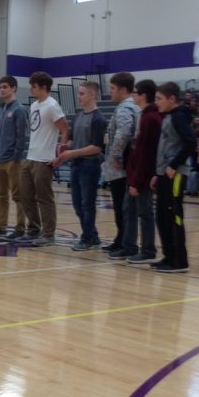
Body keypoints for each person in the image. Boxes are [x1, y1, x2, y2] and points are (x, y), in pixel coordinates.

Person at [52, 81, 106, 250]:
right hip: (76, 165)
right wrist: (66, 146)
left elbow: (97, 147)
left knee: (87, 204)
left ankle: (87, 237)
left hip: (90, 166)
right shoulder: (78, 116)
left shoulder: (98, 119)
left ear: (92, 95)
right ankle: (93, 235)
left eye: (82, 93)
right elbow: (73, 139)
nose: (79, 97)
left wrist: (72, 153)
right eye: (79, 93)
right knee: (77, 204)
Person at [150, 81, 196, 274]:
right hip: (164, 173)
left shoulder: (179, 117)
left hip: (175, 174)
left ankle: (179, 260)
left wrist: (173, 165)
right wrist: (157, 173)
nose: (156, 103)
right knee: (162, 216)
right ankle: (168, 256)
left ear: (172, 99)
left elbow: (190, 142)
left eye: (159, 99)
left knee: (173, 216)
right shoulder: (169, 117)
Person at [20, 71, 69, 247]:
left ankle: (48, 234)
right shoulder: (34, 106)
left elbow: (64, 128)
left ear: (43, 87)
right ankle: (33, 229)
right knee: (25, 195)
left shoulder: (52, 105)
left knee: (44, 198)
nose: (31, 89)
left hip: (44, 159)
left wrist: (60, 152)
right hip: (31, 156)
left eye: (34, 86)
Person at [116, 79, 161, 264]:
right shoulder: (144, 115)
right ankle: (129, 247)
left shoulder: (151, 118)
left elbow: (146, 154)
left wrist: (137, 180)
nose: (132, 95)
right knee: (130, 210)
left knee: (145, 213)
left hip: (142, 177)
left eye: (135, 92)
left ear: (142, 95)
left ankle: (148, 250)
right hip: (134, 174)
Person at [101, 71, 140, 252]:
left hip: (121, 168)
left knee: (122, 207)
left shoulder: (125, 108)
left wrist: (115, 155)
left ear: (124, 90)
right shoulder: (134, 107)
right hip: (125, 166)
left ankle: (125, 241)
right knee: (121, 207)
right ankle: (120, 239)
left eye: (113, 88)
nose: (110, 92)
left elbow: (124, 132)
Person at [0, 75, 28, 237]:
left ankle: (20, 227)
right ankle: (1, 225)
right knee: (1, 195)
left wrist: (16, 158)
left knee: (17, 195)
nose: (2, 90)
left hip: (13, 160)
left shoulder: (19, 109)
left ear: (13, 88)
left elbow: (21, 136)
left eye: (5, 87)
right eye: (0, 87)